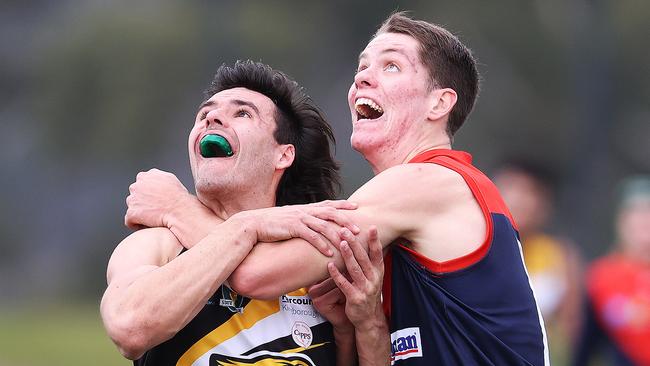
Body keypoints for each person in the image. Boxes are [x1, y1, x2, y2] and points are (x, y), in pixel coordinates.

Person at [128, 12, 548, 365]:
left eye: (391, 66)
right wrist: (363, 324)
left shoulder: (427, 182)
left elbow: (255, 274)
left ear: (439, 104)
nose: (364, 78)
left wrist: (176, 208)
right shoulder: (403, 213)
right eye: (362, 67)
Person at [101, 60, 367, 366]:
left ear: (284, 154)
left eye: (242, 113)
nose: (211, 118)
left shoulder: (312, 260)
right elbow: (130, 328)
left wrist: (352, 329)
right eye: (204, 114)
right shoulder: (158, 244)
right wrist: (246, 227)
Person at [493, 160, 582, 365]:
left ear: (544, 205)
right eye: (511, 188)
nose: (518, 200)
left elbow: (572, 330)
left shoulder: (561, 257)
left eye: (529, 192)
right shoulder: (471, 247)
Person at [574, 176, 650, 366]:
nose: (644, 221)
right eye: (637, 213)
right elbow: (585, 344)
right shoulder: (602, 276)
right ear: (621, 221)